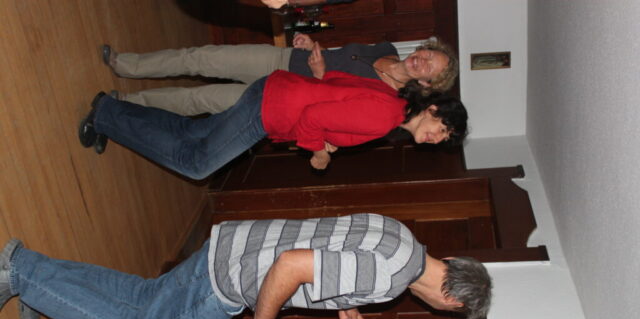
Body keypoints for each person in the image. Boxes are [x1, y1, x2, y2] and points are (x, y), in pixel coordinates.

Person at [0, 213, 492, 319]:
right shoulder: (390, 281)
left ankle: (32, 273)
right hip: (233, 281)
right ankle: (21, 274)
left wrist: (344, 302)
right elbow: (293, 266)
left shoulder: (403, 237)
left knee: (142, 296)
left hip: (235, 243)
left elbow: (333, 247)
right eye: (448, 310)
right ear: (450, 300)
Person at [79, 69, 468, 172]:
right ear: (433, 110)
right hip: (272, 111)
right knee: (196, 163)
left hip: (275, 92)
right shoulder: (386, 117)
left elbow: (333, 82)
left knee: (193, 131)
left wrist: (328, 137)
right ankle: (106, 117)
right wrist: (319, 154)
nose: (437, 139)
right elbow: (314, 116)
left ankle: (111, 112)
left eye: (443, 140)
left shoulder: (391, 98)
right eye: (443, 130)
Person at [101, 34, 458, 116]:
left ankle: (128, 102)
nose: (423, 60)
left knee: (200, 99)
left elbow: (332, 109)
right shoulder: (386, 48)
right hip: (282, 59)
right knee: (201, 58)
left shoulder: (387, 99)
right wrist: (312, 44)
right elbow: (335, 53)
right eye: (428, 54)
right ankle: (125, 64)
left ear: (427, 84)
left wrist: (320, 75)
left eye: (430, 67)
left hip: (281, 96)